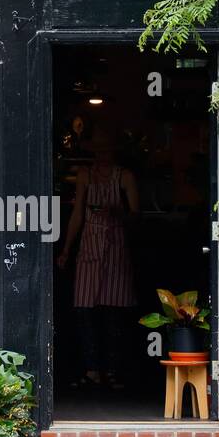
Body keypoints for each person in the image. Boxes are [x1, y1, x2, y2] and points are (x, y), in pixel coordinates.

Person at [57, 127, 139, 389]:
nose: (102, 155)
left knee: (114, 311)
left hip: (115, 246)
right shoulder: (85, 175)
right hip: (90, 245)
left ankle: (113, 370)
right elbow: (78, 214)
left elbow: (136, 216)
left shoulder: (124, 177)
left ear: (113, 151)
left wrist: (117, 212)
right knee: (84, 309)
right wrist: (67, 249)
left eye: (106, 150)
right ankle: (91, 369)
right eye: (99, 151)